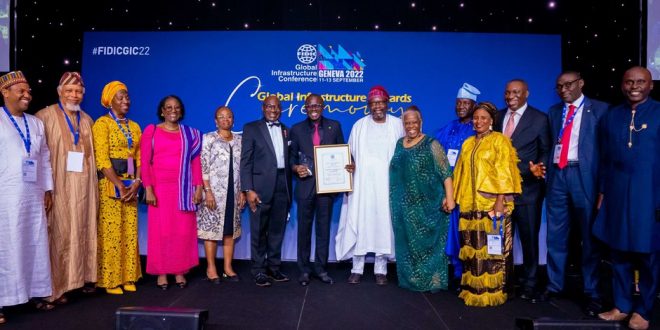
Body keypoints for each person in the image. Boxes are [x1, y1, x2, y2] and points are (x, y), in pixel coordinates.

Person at [535, 71, 608, 315]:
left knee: (589, 237)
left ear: (581, 83)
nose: (564, 89)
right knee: (555, 235)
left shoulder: (600, 109)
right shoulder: (555, 112)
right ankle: (555, 285)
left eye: (568, 85)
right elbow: (551, 144)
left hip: (584, 176)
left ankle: (592, 292)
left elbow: (607, 152)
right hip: (558, 175)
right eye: (559, 86)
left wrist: (603, 187)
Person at [594, 66, 659, 330]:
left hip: (650, 193)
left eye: (640, 81)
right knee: (618, 251)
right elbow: (604, 159)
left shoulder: (658, 112)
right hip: (617, 193)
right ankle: (621, 306)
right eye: (629, 81)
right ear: (622, 85)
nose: (634, 86)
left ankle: (643, 310)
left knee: (648, 254)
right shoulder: (611, 115)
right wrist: (602, 192)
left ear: (650, 85)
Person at [35, 72, 99, 304]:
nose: (75, 95)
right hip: (57, 187)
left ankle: (73, 283)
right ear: (60, 91)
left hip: (84, 188)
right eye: (70, 90)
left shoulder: (88, 120)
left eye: (79, 91)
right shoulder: (43, 117)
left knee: (79, 231)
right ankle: (52, 288)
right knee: (57, 234)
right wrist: (43, 188)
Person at [453, 101, 522, 306]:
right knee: (473, 248)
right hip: (469, 205)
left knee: (493, 251)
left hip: (491, 206)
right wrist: (453, 198)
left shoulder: (499, 141)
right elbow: (459, 173)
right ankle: (474, 289)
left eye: (483, 118)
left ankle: (493, 292)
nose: (478, 121)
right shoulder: (468, 143)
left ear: (492, 120)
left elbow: (505, 173)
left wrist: (500, 201)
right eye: (476, 118)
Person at [335, 85, 405, 286]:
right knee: (361, 221)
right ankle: (356, 267)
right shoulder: (359, 125)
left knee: (384, 224)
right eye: (373, 104)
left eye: (381, 103)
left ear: (387, 103)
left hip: (387, 186)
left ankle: (380, 269)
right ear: (368, 106)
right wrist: (350, 167)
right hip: (363, 186)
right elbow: (350, 156)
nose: (377, 107)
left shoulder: (397, 125)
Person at [0, 71, 54, 324]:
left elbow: (44, 158)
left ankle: (31, 293)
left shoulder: (36, 123)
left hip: (33, 194)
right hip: (6, 195)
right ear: (5, 92)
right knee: (6, 246)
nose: (27, 94)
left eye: (29, 90)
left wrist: (47, 189)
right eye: (21, 90)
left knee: (32, 243)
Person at [493, 79, 551, 301]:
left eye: (516, 92)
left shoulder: (540, 119)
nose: (511, 96)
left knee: (529, 239)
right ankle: (503, 280)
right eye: (507, 92)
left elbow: (545, 150)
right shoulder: (497, 117)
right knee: (499, 239)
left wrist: (538, 167)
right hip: (500, 193)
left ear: (526, 94)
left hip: (528, 191)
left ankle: (530, 283)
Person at [390, 106, 455, 292]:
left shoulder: (431, 144)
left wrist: (449, 198)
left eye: (414, 122)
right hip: (403, 207)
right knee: (408, 245)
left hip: (428, 204)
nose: (411, 126)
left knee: (428, 244)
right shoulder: (399, 143)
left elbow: (445, 173)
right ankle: (411, 279)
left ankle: (432, 280)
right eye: (407, 122)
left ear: (421, 122)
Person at [141, 95, 202, 289]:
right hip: (159, 189)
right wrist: (148, 189)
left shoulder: (190, 134)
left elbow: (196, 163)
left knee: (182, 232)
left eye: (176, 108)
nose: (173, 110)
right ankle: (161, 272)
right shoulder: (151, 131)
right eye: (168, 107)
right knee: (162, 232)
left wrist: (198, 187)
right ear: (162, 111)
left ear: (181, 111)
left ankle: (180, 271)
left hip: (183, 189)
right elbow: (145, 163)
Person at [289, 93, 345, 286]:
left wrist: (349, 165)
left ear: (323, 107)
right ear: (305, 108)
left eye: (317, 106)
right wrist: (296, 168)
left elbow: (342, 153)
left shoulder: (334, 126)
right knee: (304, 230)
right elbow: (290, 159)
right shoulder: (296, 129)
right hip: (305, 187)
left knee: (323, 230)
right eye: (310, 106)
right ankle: (304, 270)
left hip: (327, 188)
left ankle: (321, 269)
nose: (313, 109)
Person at [93, 81, 142, 295]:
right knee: (111, 232)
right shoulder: (102, 124)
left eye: (127, 97)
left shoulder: (134, 126)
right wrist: (118, 184)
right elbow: (102, 159)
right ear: (109, 100)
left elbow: (139, 158)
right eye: (120, 97)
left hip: (131, 184)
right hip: (110, 184)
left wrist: (137, 182)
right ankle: (111, 279)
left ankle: (128, 276)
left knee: (129, 231)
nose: (125, 101)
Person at [240, 95, 292, 287]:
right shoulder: (251, 128)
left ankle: (274, 268)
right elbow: (245, 161)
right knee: (259, 230)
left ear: (281, 109)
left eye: (277, 107)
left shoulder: (286, 130)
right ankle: (258, 270)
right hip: (260, 187)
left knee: (277, 230)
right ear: (263, 108)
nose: (273, 110)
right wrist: (248, 189)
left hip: (282, 185)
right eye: (270, 106)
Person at [435, 82, 479, 286]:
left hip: (470, 190)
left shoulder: (478, 130)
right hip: (449, 188)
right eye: (458, 103)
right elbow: (436, 156)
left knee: (468, 230)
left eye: (466, 103)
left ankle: (470, 272)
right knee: (451, 231)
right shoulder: (448, 128)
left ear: (474, 105)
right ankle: (456, 271)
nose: (461, 106)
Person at [197, 106, 245, 283]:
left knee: (229, 231)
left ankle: (227, 267)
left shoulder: (240, 140)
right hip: (213, 194)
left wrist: (242, 191)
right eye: (221, 117)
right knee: (211, 231)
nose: (226, 120)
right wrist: (207, 191)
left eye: (229, 117)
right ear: (216, 121)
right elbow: (203, 166)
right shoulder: (209, 138)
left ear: (233, 120)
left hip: (233, 191)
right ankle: (211, 268)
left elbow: (243, 168)